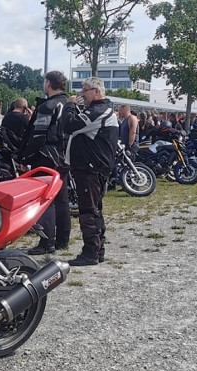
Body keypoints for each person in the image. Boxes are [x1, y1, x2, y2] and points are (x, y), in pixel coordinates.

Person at [60, 77, 118, 266]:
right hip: (92, 168)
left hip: (91, 169)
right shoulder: (99, 110)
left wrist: (69, 105)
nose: (81, 94)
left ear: (97, 91)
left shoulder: (99, 110)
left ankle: (90, 252)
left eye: (85, 90)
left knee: (88, 211)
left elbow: (69, 125)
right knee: (94, 209)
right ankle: (97, 250)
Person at [20, 70, 70, 255]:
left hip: (47, 156)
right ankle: (62, 240)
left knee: (46, 199)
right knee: (62, 199)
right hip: (65, 156)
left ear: (48, 83)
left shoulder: (48, 106)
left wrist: (25, 158)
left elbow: (37, 135)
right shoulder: (69, 104)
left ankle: (46, 242)